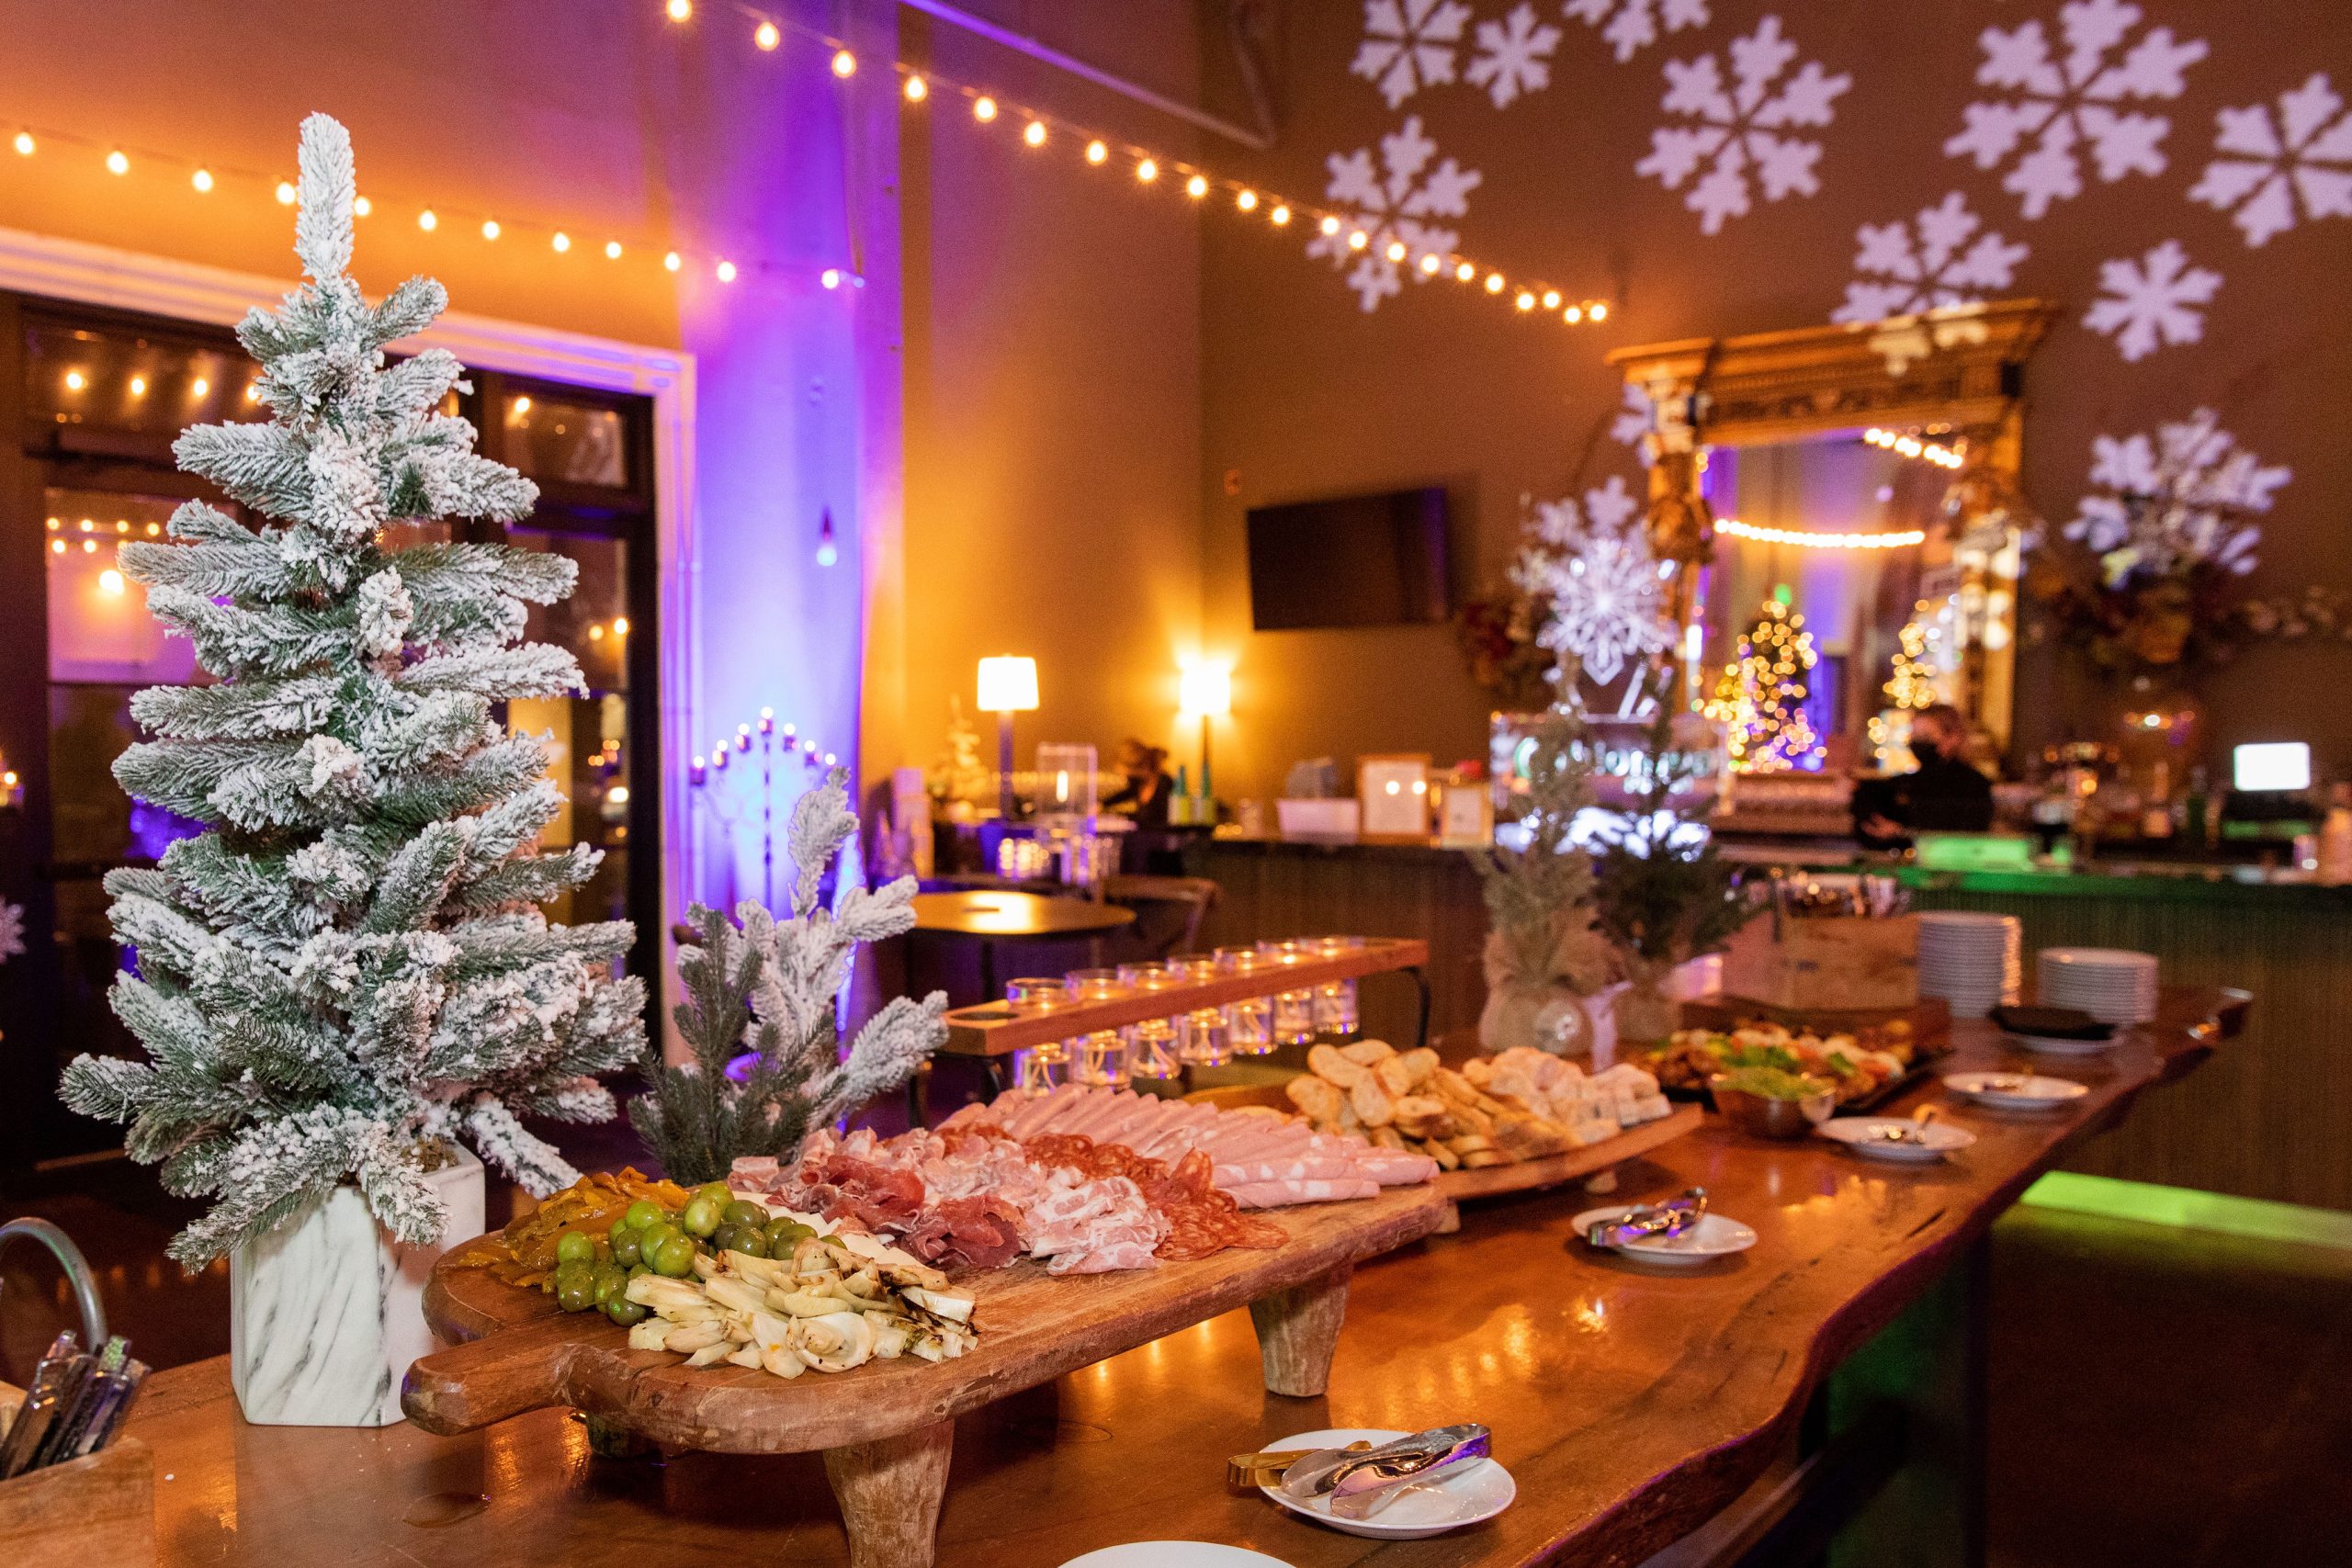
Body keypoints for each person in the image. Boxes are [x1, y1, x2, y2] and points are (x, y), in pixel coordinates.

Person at [1853, 703, 1995, 849]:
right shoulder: (1906, 783)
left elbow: (1962, 834)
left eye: (1926, 736)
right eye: (1914, 736)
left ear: (1953, 738)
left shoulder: (1973, 784)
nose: (1917, 743)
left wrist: (1903, 833)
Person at [1104, 738, 1176, 829]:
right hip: (1145, 833)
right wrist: (1103, 804)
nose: (1126, 777)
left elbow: (1157, 820)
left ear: (1142, 768)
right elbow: (1125, 794)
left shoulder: (1165, 784)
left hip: (1159, 834)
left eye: (1129, 773)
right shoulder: (1139, 782)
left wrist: (1125, 818)